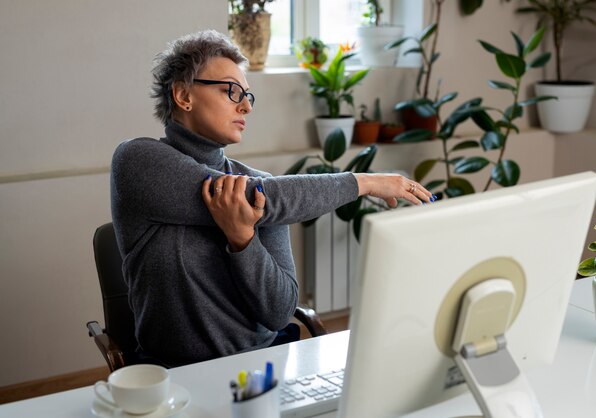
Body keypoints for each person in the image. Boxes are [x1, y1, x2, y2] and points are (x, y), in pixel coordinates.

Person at [110, 29, 433, 368]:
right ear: (183, 95)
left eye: (248, 95)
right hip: (175, 377)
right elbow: (258, 197)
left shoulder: (265, 189)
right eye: (231, 91)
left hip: (264, 366)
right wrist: (364, 182)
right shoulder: (136, 161)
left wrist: (243, 240)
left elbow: (279, 313)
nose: (246, 106)